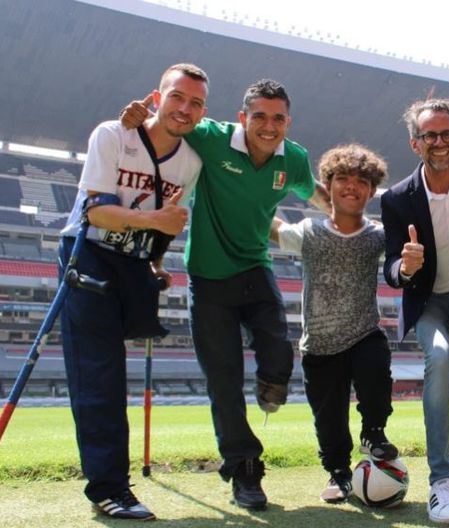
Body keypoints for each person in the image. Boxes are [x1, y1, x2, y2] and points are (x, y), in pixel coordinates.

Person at [122, 79, 331, 511]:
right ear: (242, 118)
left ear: (288, 122)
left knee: (279, 353)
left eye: (278, 119)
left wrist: (349, 217)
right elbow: (172, 122)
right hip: (208, 279)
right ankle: (244, 469)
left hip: (256, 267)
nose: (268, 126)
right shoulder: (211, 138)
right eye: (260, 117)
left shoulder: (293, 159)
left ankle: (271, 383)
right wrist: (138, 118)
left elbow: (315, 193)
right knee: (224, 384)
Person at [60, 63, 209, 520]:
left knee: (118, 364)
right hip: (89, 253)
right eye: (176, 97)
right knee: (100, 373)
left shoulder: (191, 162)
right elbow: (97, 213)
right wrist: (154, 221)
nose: (184, 109)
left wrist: (157, 261)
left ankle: (113, 481)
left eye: (196, 103)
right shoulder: (112, 134)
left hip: (135, 262)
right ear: (156, 98)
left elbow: (169, 220)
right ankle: (109, 488)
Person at [380, 97, 449, 523]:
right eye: (430, 135)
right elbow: (392, 267)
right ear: (415, 143)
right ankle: (440, 480)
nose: (440, 142)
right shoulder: (396, 199)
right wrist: (405, 267)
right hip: (430, 301)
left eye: (447, 134)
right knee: (440, 358)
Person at [271, 144, 400, 504]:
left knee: (376, 368)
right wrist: (256, 194)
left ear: (371, 191)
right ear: (327, 186)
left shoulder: (378, 236)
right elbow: (270, 227)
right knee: (328, 420)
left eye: (362, 181)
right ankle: (339, 473)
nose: (351, 186)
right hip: (319, 345)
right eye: (342, 178)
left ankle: (374, 432)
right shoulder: (309, 232)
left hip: (364, 332)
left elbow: (404, 253)